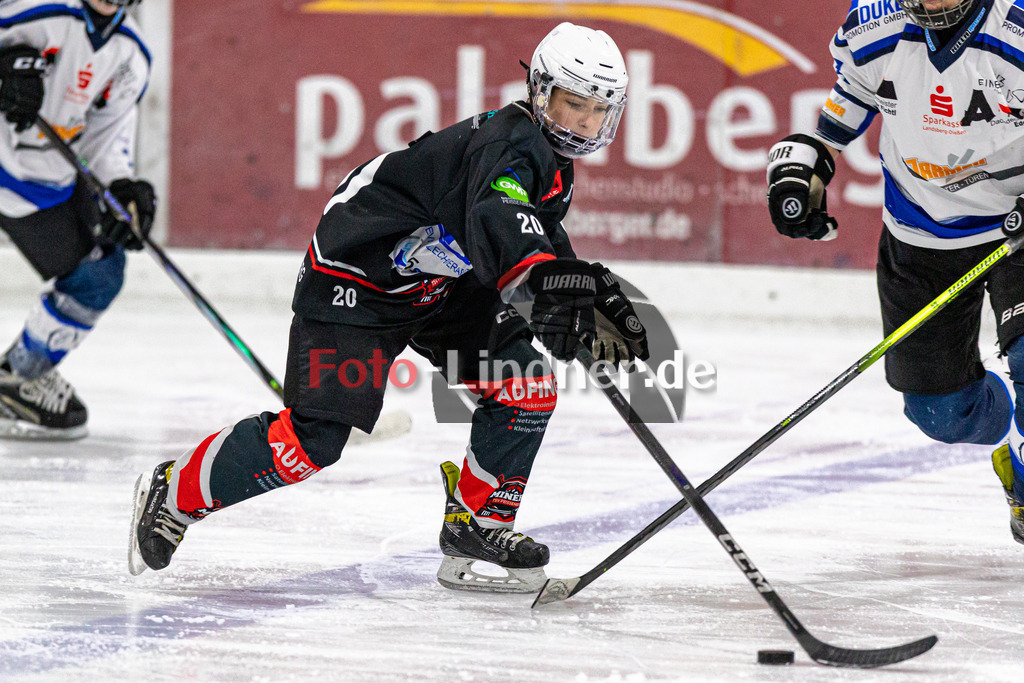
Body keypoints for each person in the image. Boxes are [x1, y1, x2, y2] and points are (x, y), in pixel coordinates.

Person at [129, 22, 650, 592]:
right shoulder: (510, 143)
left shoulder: (552, 162)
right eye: (574, 103)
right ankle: (175, 491)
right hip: (357, 282)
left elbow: (537, 237)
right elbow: (501, 223)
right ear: (540, 91)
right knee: (312, 442)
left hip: (441, 285)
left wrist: (582, 294)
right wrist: (547, 293)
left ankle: (478, 524)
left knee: (524, 382)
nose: (585, 121)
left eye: (600, 110)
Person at [766, 0, 1024, 545]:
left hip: (1015, 223)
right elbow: (840, 118)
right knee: (942, 415)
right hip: (921, 233)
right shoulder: (874, 26)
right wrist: (802, 168)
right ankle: (1012, 430)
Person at [0, 0, 156, 440]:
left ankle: (18, 380)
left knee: (100, 272)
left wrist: (120, 188)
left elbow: (107, 138)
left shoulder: (131, 54)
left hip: (38, 181)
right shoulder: (34, 11)